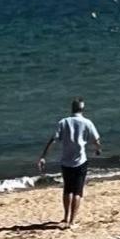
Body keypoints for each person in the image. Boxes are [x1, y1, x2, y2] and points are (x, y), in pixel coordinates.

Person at [37, 98, 102, 229]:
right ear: (83, 109)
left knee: (67, 190)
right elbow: (96, 139)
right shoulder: (87, 123)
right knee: (77, 191)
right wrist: (97, 149)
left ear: (72, 109)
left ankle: (66, 217)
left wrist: (43, 156)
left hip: (66, 161)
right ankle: (72, 221)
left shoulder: (63, 122)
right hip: (80, 161)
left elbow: (53, 140)